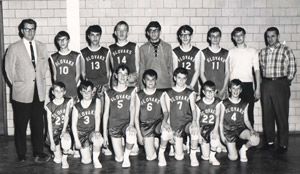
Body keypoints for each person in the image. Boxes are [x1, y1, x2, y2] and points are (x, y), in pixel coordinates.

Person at [5, 18, 50, 162]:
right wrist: (18, 84)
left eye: (32, 29)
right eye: (27, 29)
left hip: (39, 91)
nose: (30, 32)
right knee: (21, 124)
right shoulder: (13, 48)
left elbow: (44, 69)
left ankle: (38, 151)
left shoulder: (42, 46)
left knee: (38, 124)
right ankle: (21, 154)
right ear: (22, 30)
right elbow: (8, 70)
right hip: (21, 92)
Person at [259, 27, 297, 154]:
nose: (270, 39)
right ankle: (269, 142)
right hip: (266, 84)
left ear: (278, 36)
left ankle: (283, 144)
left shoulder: (286, 50)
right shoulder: (262, 52)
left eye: (273, 36)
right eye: (268, 36)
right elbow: (261, 68)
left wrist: (285, 82)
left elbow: (292, 69)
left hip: (280, 83)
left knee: (281, 115)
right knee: (267, 115)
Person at [81, 25, 112, 156]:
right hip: (90, 88)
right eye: (92, 35)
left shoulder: (106, 51)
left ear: (100, 36)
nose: (95, 38)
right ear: (88, 36)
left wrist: (105, 86)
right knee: (91, 115)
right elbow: (83, 73)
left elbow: (109, 72)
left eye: (97, 35)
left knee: (104, 115)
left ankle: (104, 143)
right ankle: (89, 142)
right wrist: (89, 88)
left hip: (103, 86)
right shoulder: (83, 52)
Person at [135, 69, 173, 166]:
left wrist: (164, 122)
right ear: (144, 81)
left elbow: (165, 111)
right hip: (145, 125)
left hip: (157, 123)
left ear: (156, 80)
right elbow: (135, 116)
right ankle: (155, 142)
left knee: (166, 130)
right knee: (150, 158)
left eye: (153, 79)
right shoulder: (139, 95)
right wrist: (139, 135)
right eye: (148, 79)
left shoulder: (160, 94)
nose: (151, 82)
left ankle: (161, 152)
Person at [102, 64, 137, 168]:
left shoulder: (132, 90)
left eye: (125, 74)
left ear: (128, 76)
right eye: (120, 74)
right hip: (114, 125)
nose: (122, 77)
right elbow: (105, 113)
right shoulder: (109, 92)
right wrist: (104, 134)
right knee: (119, 158)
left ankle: (127, 155)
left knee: (131, 134)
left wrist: (131, 124)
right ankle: (123, 149)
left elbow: (132, 107)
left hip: (126, 123)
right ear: (115, 76)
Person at [164, 67, 199, 166]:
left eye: (184, 78)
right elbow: (167, 112)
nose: (181, 81)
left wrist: (194, 122)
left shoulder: (190, 93)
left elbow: (193, 109)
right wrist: (170, 129)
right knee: (179, 157)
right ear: (174, 78)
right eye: (179, 78)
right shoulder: (168, 93)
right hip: (175, 125)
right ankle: (175, 146)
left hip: (187, 122)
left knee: (194, 130)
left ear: (186, 79)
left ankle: (193, 154)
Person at [220, 79, 260, 162]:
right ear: (230, 90)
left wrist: (251, 130)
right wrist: (222, 136)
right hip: (228, 130)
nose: (236, 91)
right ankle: (223, 145)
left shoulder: (244, 103)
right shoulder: (224, 103)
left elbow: (246, 120)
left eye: (238, 88)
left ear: (241, 90)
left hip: (240, 129)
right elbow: (220, 122)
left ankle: (243, 149)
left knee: (255, 139)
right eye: (233, 88)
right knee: (233, 157)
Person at [229, 27, 261, 127]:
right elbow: (228, 71)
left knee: (249, 112)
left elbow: (257, 70)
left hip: (247, 85)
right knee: (235, 112)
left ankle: (250, 138)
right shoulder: (230, 52)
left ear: (244, 36)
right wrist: (227, 88)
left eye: (241, 35)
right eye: (236, 36)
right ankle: (236, 140)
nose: (239, 38)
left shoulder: (252, 51)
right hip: (234, 85)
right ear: (233, 37)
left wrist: (258, 89)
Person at [72, 80, 103, 168]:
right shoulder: (76, 106)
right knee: (86, 161)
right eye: (84, 91)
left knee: (98, 139)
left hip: (92, 131)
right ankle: (86, 146)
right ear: (80, 92)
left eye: (89, 91)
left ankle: (96, 159)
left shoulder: (96, 101)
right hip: (81, 133)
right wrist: (77, 140)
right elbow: (73, 125)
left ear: (93, 91)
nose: (86, 94)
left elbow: (97, 116)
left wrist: (97, 131)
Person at [45, 82, 73, 168]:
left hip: (63, 128)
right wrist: (52, 142)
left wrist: (64, 130)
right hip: (53, 131)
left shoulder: (67, 102)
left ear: (64, 92)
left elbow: (67, 117)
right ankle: (59, 153)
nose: (59, 93)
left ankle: (65, 156)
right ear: (52, 92)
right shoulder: (49, 106)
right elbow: (49, 124)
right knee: (58, 160)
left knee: (66, 138)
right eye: (56, 91)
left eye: (61, 91)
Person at [140, 21, 173, 89]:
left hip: (165, 86)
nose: (153, 32)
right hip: (149, 86)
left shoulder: (167, 47)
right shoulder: (143, 48)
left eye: (156, 30)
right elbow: (141, 69)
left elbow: (170, 68)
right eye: (151, 30)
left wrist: (172, 86)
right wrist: (142, 87)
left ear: (160, 32)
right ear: (148, 33)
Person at [195, 81, 222, 166]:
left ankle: (213, 155)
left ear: (215, 91)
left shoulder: (218, 102)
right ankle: (213, 146)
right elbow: (196, 120)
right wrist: (199, 135)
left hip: (212, 127)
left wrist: (215, 130)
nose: (210, 93)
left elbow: (217, 116)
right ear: (203, 92)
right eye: (208, 91)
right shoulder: (199, 104)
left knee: (214, 137)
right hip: (202, 128)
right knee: (205, 157)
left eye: (212, 91)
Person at [200, 27, 229, 99]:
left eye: (217, 36)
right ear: (209, 38)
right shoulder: (203, 52)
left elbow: (227, 72)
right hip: (208, 90)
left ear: (220, 38)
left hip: (221, 89)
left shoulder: (225, 53)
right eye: (213, 36)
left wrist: (223, 89)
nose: (215, 38)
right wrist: (208, 89)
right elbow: (201, 73)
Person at [49, 31, 81, 98]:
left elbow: (78, 74)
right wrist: (57, 89)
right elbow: (54, 76)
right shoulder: (53, 57)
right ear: (57, 42)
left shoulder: (76, 55)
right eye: (60, 40)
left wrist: (73, 85)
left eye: (64, 39)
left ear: (68, 40)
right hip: (59, 91)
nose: (62, 42)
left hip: (72, 89)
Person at [109, 21, 140, 88]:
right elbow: (112, 67)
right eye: (119, 30)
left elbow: (137, 67)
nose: (121, 32)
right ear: (115, 33)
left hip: (131, 78)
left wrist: (133, 78)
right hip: (117, 79)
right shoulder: (110, 48)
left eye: (124, 30)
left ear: (127, 33)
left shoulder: (134, 46)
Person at [173, 25, 201, 93]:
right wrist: (184, 85)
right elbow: (175, 70)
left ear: (191, 36)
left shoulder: (196, 51)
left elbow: (197, 71)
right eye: (182, 35)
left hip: (193, 84)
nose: (185, 37)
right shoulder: (175, 51)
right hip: (179, 84)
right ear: (179, 37)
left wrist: (191, 86)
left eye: (187, 35)